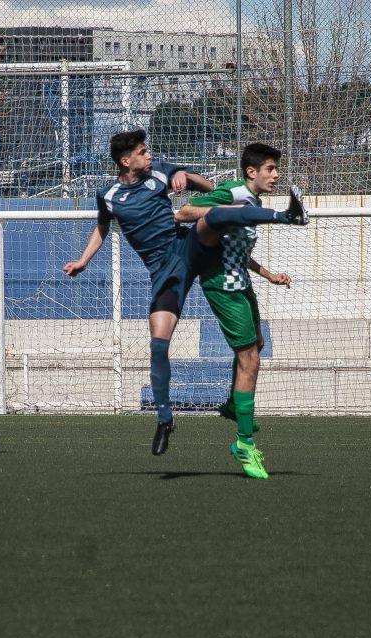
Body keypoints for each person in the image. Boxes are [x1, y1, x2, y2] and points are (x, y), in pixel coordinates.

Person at [63, 129, 307, 456]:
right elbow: (103, 227)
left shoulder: (160, 171)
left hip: (188, 246)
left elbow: (207, 189)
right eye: (142, 151)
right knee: (158, 343)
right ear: (126, 161)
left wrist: (186, 175)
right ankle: (165, 420)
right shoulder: (107, 195)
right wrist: (83, 259)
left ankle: (286, 216)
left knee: (217, 215)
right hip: (165, 272)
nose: (149, 155)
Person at [174, 142, 294, 479]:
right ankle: (243, 443)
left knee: (257, 346)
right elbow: (184, 213)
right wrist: (218, 211)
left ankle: (232, 404)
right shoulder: (232, 192)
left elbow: (237, 244)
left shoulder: (253, 200)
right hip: (222, 285)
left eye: (276, 169)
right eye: (269, 169)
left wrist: (268, 274)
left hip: (241, 280)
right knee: (250, 359)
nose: (275, 175)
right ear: (251, 171)